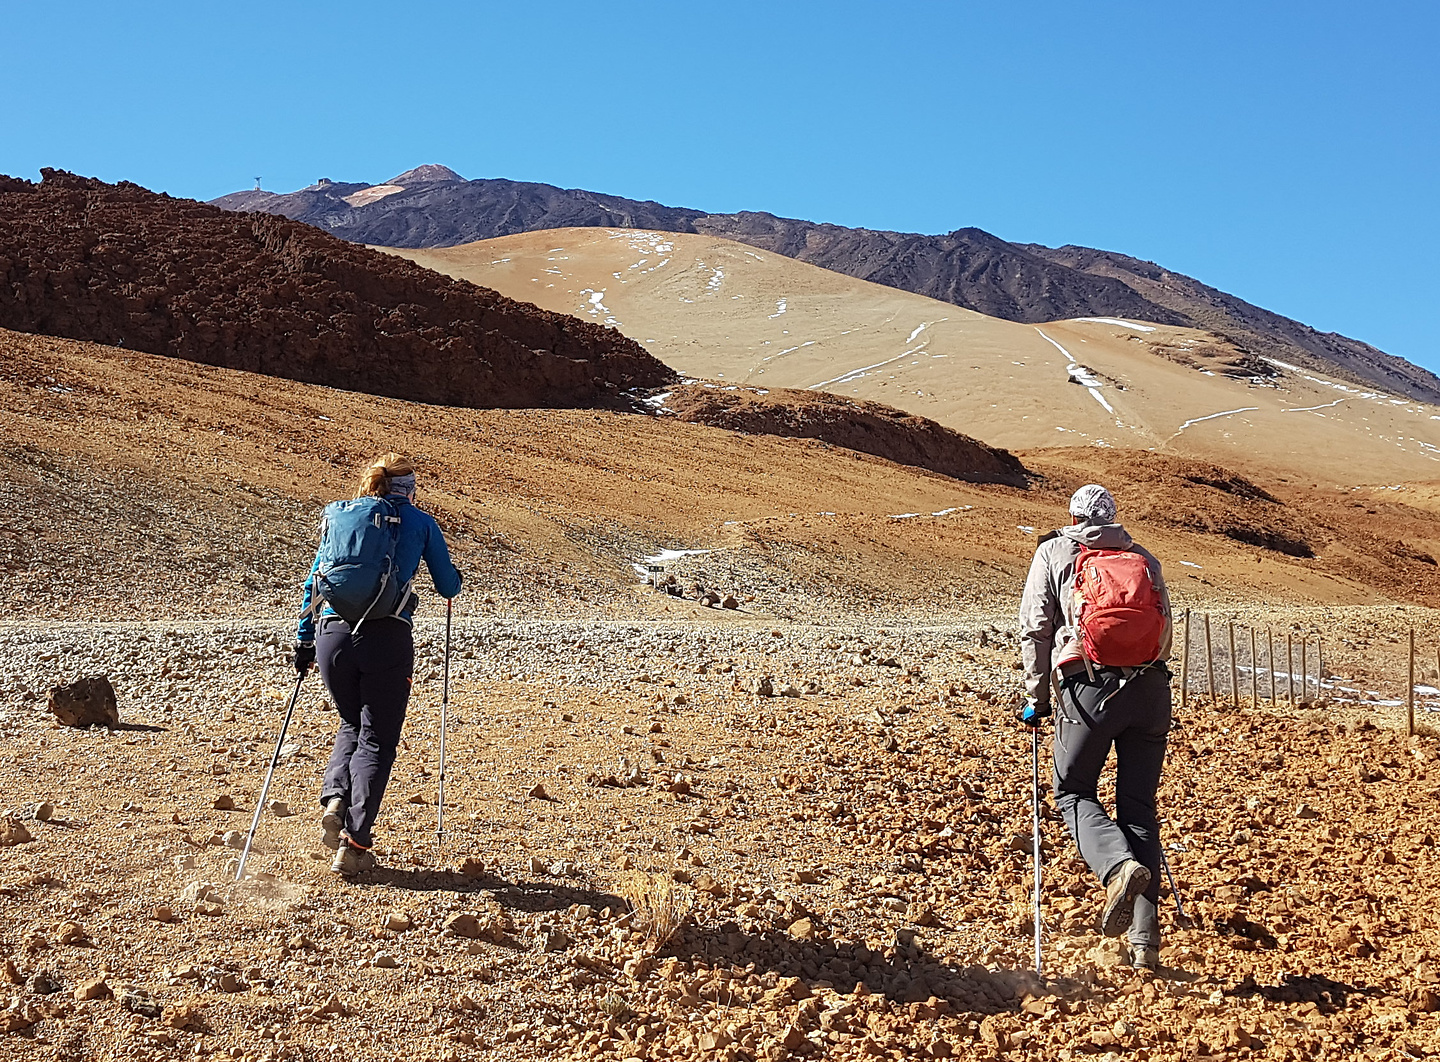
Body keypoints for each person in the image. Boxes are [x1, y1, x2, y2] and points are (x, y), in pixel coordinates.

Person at [1017, 484, 1173, 971]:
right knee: (1138, 808)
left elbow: (1036, 628)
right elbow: (1165, 627)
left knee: (1073, 790)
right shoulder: (1142, 558)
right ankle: (1145, 942)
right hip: (1150, 692)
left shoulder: (1055, 551)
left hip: (1090, 689)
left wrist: (1035, 697)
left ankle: (1116, 867)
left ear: (1073, 514)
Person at [294, 453, 462, 877]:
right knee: (376, 741)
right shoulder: (421, 523)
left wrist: (303, 641)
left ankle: (335, 798)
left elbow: (315, 581)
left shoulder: (345, 521)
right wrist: (452, 574)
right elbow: (447, 585)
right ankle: (353, 846)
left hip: (332, 637)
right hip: (386, 636)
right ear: (409, 487)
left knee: (352, 722)